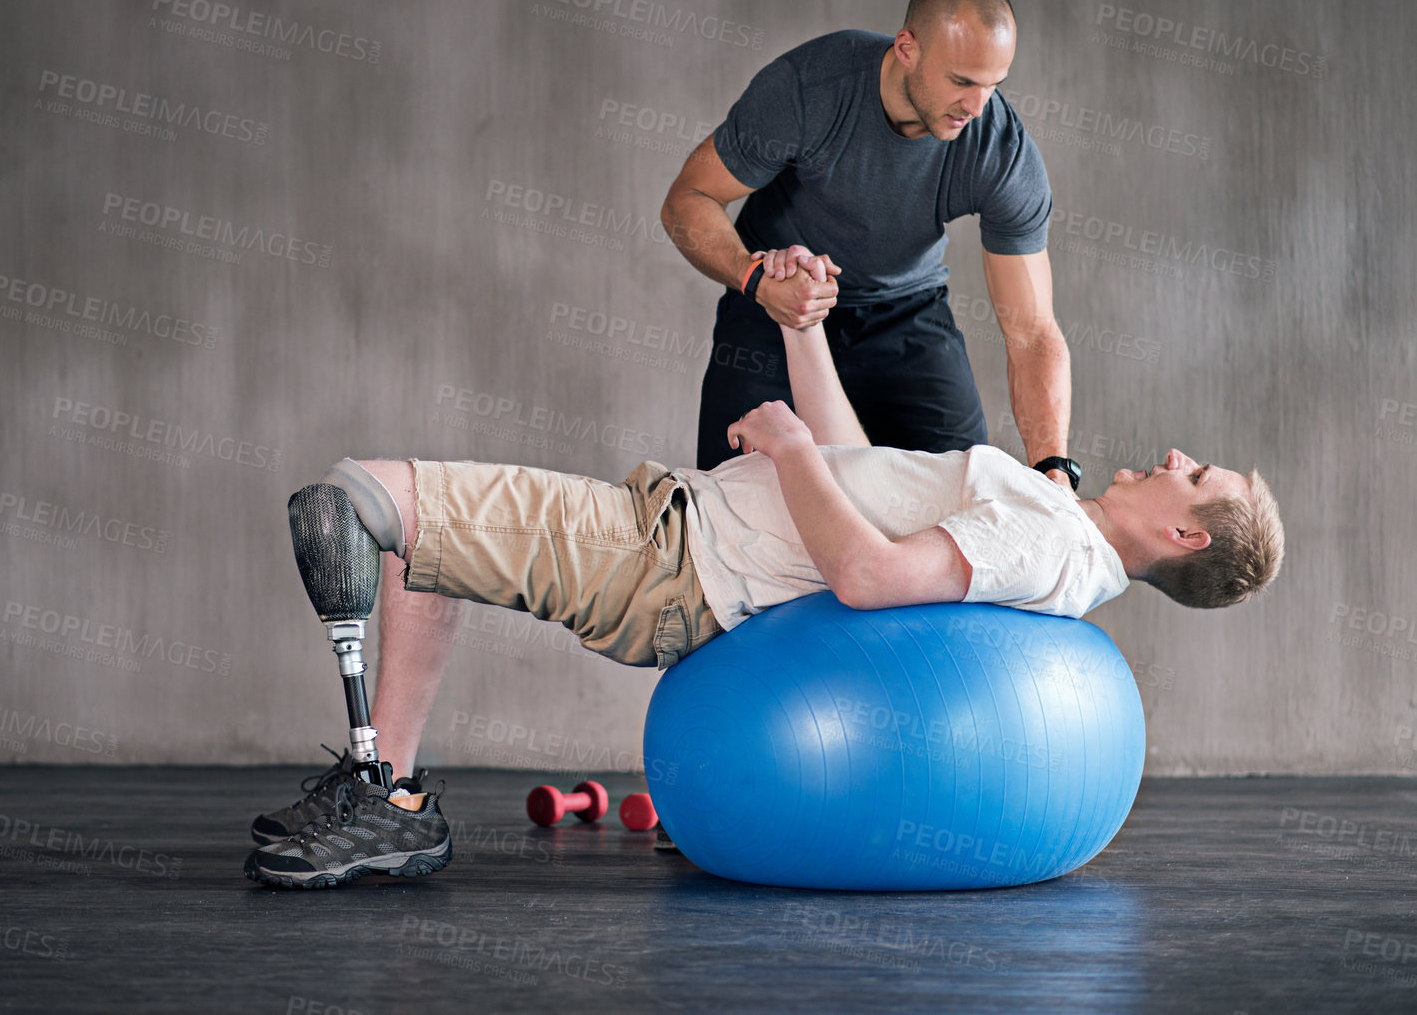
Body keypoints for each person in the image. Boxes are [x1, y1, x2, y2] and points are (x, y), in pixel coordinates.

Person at [243, 319, 1284, 889]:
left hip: (666, 556)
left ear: (1185, 535)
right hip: (678, 542)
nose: (1176, 457)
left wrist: (785, 450)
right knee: (428, 546)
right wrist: (804, 331)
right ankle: (396, 794)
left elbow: (869, 576)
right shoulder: (1057, 531)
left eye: (1199, 477)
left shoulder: (1048, 536)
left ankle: (382, 794)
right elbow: (857, 467)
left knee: (353, 496)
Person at [660, 0, 1080, 493]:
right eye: (962, 81)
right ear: (907, 49)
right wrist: (757, 282)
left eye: (993, 86)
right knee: (731, 508)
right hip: (773, 301)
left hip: (905, 314)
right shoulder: (808, 89)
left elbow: (1032, 331)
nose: (976, 108)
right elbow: (688, 200)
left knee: (962, 502)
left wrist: (1053, 471)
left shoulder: (998, 148)